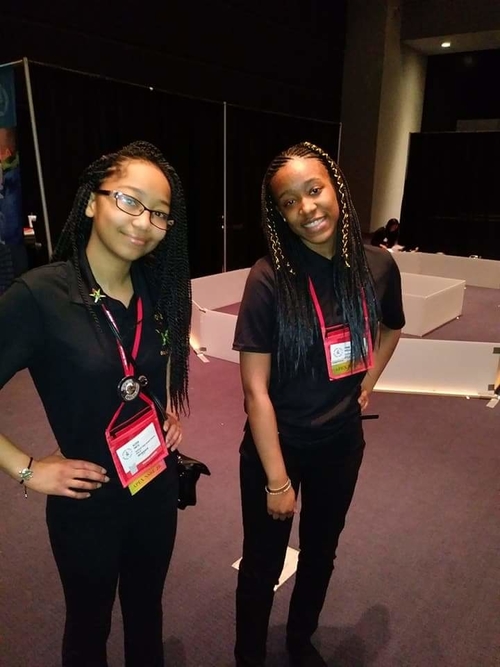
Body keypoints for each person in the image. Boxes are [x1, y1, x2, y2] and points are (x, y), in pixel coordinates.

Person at [0, 140, 191, 667]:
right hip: (87, 502)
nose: (144, 221)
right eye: (129, 201)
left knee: (146, 613)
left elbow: (152, 366)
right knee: (89, 629)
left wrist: (164, 414)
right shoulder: (39, 296)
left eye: (159, 213)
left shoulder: (161, 290)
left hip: (154, 484)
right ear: (91, 201)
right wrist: (26, 469)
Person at [232, 141, 404, 667]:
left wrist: (368, 380)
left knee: (321, 554)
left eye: (314, 190)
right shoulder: (268, 278)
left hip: (341, 443)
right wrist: (278, 479)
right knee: (262, 564)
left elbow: (392, 327)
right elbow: (254, 390)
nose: (306, 208)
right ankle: (248, 657)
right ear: (279, 215)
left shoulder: (377, 266)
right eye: (289, 202)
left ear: (335, 188)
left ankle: (299, 640)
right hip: (275, 447)